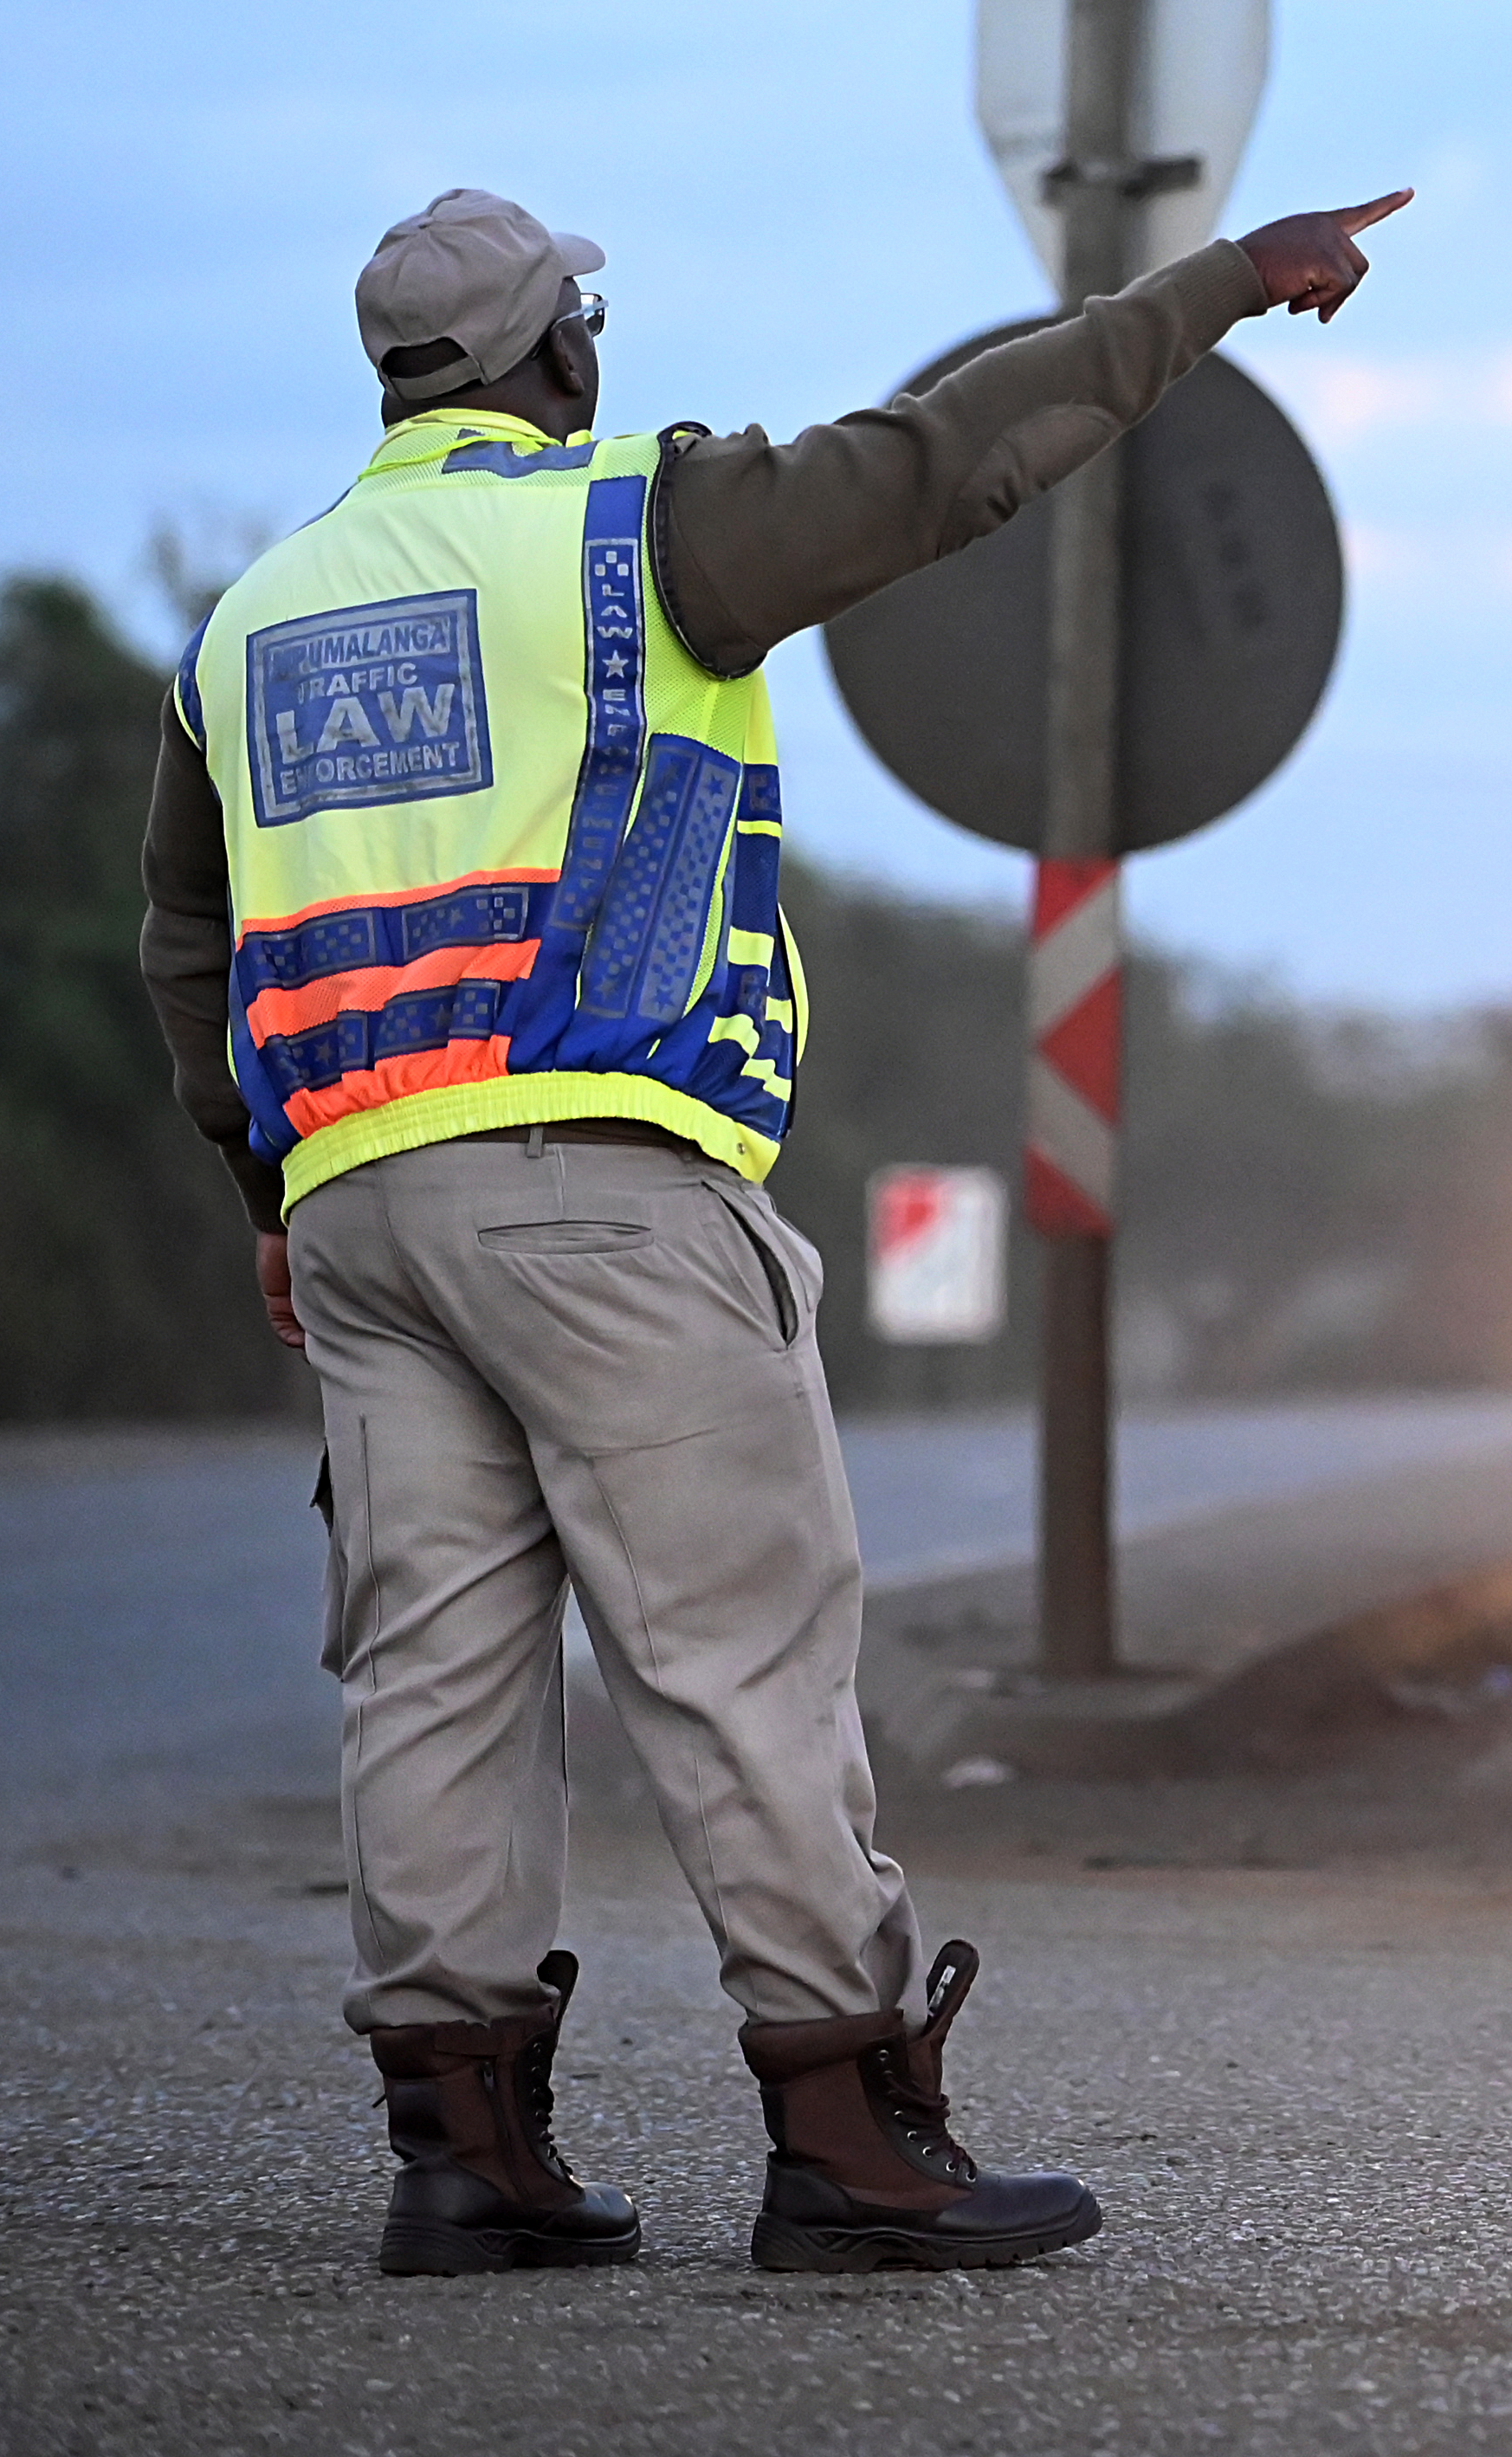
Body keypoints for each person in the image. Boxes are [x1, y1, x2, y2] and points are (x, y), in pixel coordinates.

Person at [134, 180, 1406, 2276]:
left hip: (363, 1205)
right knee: (736, 1653)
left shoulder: (251, 621)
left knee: (435, 1676)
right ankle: (848, 2131)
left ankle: (465, 2152)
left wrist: (271, 1182)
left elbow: (191, 942)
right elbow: (944, 464)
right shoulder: (639, 524)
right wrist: (1216, 291)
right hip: (605, 1186)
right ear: (560, 352)